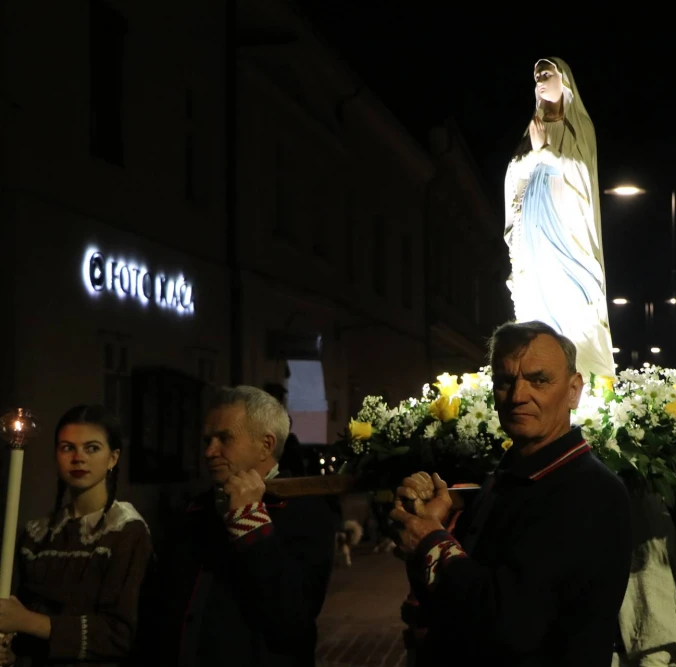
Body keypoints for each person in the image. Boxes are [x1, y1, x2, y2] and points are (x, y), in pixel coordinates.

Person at [391, 320, 631, 666]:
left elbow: (511, 625)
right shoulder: (511, 475)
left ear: (574, 390)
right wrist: (436, 522)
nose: (518, 396)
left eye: (539, 380)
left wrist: (430, 542)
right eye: (505, 381)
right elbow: (460, 593)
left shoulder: (589, 491)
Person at [153, 385, 335, 667]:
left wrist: (249, 521)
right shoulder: (194, 510)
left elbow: (293, 618)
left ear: (266, 445)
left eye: (224, 438)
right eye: (207, 440)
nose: (210, 452)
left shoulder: (305, 511)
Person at [0, 405, 152, 666]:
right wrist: (12, 654)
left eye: (92, 448)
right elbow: (21, 622)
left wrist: (28, 621)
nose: (78, 458)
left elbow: (119, 635)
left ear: (113, 458)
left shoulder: (125, 531)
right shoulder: (37, 535)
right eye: (67, 447)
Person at [503, 58, 615, 381]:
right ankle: (539, 365)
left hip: (566, 227)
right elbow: (514, 174)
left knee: (571, 294)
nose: (539, 80)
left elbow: (581, 173)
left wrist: (545, 152)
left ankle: (577, 370)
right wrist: (535, 152)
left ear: (563, 80)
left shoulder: (579, 127)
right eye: (536, 76)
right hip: (533, 225)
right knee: (535, 290)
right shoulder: (533, 129)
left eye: (546, 74)